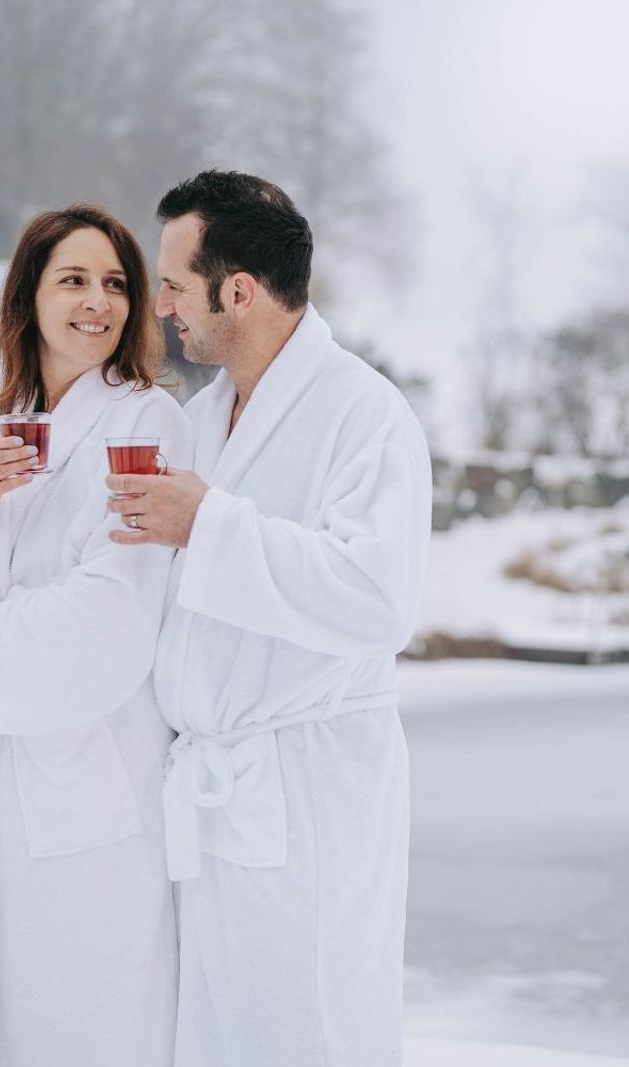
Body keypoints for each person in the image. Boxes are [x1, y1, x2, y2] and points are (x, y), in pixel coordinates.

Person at [105, 171, 433, 1066]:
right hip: (212, 799)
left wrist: (208, 526)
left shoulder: (365, 415)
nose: (160, 302)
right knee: (217, 1040)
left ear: (237, 291)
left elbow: (379, 598)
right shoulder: (203, 416)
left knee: (309, 1033)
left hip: (308, 796)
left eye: (174, 281)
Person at [0, 203, 191, 1066]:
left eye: (118, 283)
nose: (100, 302)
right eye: (75, 279)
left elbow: (108, 626)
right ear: (29, 294)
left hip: (84, 789)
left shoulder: (144, 424)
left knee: (78, 1026)